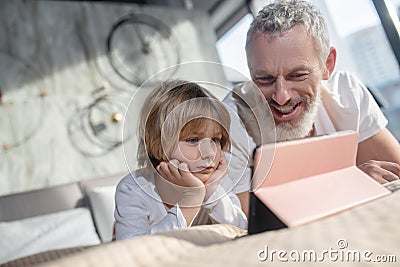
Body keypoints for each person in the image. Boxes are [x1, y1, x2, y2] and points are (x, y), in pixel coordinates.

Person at [222, 0, 400, 217]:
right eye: (264, 79)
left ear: (327, 65)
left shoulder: (347, 94)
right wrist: (349, 186)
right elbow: (250, 223)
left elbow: (395, 172)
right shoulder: (231, 120)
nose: (281, 96)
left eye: (297, 76)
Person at [114, 80, 247, 240]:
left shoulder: (214, 179)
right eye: (192, 140)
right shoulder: (133, 189)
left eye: (215, 140)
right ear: (159, 142)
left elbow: (244, 232)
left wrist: (211, 190)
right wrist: (191, 199)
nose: (209, 153)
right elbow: (135, 253)